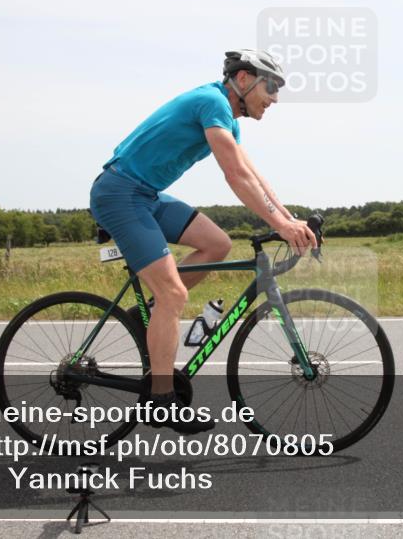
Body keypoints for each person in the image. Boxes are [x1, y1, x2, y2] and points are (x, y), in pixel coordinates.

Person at [89, 49, 318, 434]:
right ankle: (161, 401)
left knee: (217, 244)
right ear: (244, 79)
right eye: (272, 86)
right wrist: (280, 225)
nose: (276, 98)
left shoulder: (227, 118)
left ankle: (144, 313)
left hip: (145, 194)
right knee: (175, 296)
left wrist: (289, 218)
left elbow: (253, 175)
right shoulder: (212, 102)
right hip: (120, 194)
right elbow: (234, 176)